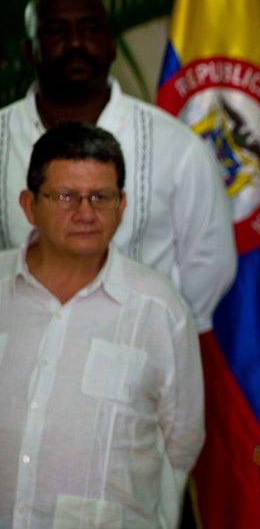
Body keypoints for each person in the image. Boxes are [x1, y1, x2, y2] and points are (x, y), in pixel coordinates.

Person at [0, 0, 235, 332]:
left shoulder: (176, 145)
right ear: (28, 50)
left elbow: (209, 260)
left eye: (90, 30)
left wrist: (151, 332)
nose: (76, 44)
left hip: (138, 351)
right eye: (56, 31)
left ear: (111, 46)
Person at [0, 122, 203, 528]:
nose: (86, 213)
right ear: (28, 205)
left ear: (122, 205)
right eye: (66, 197)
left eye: (101, 197)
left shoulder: (159, 308)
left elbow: (182, 441)